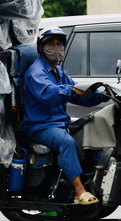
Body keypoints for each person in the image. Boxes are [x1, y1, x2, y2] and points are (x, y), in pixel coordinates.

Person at [21, 27, 106, 205]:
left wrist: (104, 94)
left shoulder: (59, 72)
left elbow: (80, 95)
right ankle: (78, 190)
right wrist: (73, 90)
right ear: (40, 48)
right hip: (40, 126)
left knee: (94, 134)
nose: (56, 48)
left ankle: (94, 183)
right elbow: (49, 94)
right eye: (51, 44)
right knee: (66, 142)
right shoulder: (36, 72)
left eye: (59, 44)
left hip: (59, 123)